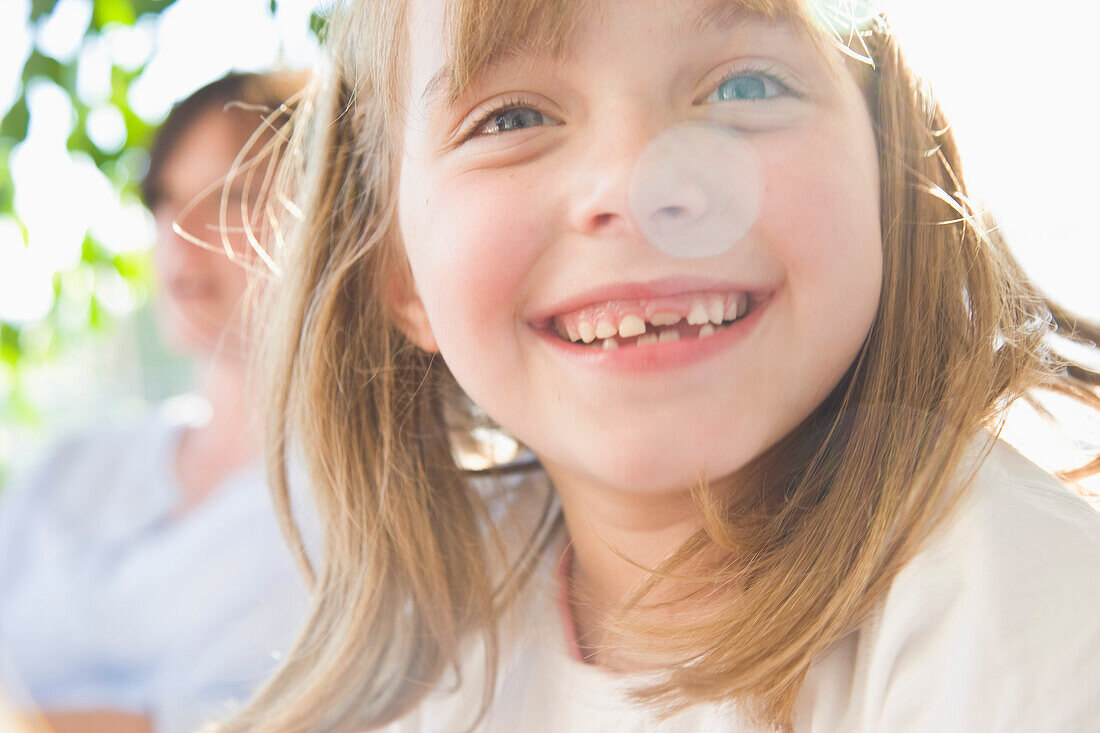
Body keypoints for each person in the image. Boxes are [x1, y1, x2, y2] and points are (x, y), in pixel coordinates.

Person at [220, 1, 1100, 731]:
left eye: (747, 84)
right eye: (513, 119)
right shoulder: (435, 647)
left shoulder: (1022, 610)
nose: (645, 186)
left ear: (889, 169)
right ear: (399, 272)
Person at [0, 71, 310, 733]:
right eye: (165, 198)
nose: (180, 227)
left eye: (232, 195)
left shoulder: (359, 507)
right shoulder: (71, 467)